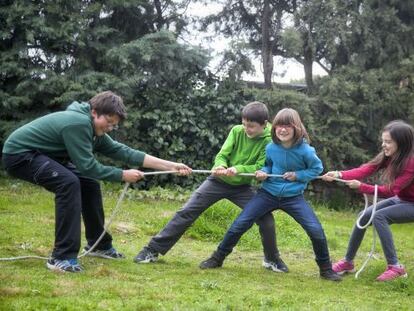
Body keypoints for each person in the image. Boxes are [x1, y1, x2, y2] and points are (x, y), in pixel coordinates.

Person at [2, 91, 191, 273]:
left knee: (89, 183)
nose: (109, 128)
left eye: (113, 125)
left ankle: (99, 245)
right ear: (94, 112)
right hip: (20, 156)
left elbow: (125, 152)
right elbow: (87, 166)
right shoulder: (77, 124)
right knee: (68, 183)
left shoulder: (93, 128)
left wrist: (172, 165)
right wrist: (121, 174)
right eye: (108, 123)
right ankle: (61, 257)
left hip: (43, 156)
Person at [134, 101, 288, 272]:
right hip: (217, 181)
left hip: (242, 187)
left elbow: (259, 167)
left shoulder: (269, 141)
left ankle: (271, 259)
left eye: (251, 126)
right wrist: (221, 166)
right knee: (187, 210)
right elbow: (222, 154)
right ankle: (152, 250)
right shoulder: (236, 131)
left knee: (266, 218)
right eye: (244, 124)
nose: (246, 129)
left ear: (264, 124)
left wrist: (238, 169)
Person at [199, 108, 341, 281]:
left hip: (293, 197)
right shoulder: (271, 148)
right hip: (268, 193)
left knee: (315, 230)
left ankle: (326, 269)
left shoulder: (306, 151)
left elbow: (316, 169)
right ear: (274, 128)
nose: (282, 129)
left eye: (287, 126)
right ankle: (217, 258)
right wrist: (263, 172)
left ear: (297, 127)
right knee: (240, 223)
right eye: (279, 125)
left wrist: (298, 176)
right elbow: (267, 165)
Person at [322, 120, 414, 281]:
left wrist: (362, 187)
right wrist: (338, 174)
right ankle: (348, 262)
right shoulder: (389, 155)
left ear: (402, 143)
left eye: (388, 142)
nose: (383, 145)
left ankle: (396, 267)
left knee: (379, 216)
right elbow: (366, 169)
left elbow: (391, 190)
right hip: (402, 199)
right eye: (383, 141)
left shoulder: (411, 163)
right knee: (363, 216)